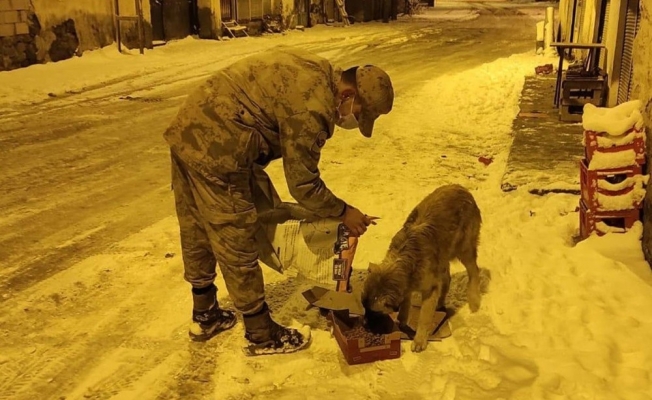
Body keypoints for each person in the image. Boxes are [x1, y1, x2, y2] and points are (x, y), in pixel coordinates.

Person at [163, 46, 394, 355]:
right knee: (236, 231)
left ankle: (205, 313)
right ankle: (261, 334)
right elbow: (303, 184)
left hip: (190, 126)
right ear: (348, 94)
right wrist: (343, 212)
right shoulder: (314, 108)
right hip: (220, 144)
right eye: (360, 114)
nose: (353, 121)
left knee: (197, 225)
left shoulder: (319, 70)